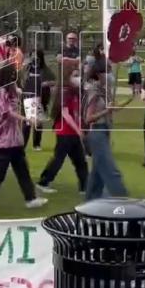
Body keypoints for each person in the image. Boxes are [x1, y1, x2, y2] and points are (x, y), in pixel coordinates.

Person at [0, 64, 48, 210]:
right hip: (4, 139)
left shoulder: (12, 89)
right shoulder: (1, 92)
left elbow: (24, 94)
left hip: (14, 139)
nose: (15, 77)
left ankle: (31, 198)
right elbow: (7, 113)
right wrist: (27, 119)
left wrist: (35, 109)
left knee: (22, 170)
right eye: (13, 75)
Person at [36, 61, 88, 195]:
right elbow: (65, 114)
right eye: (75, 75)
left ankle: (85, 186)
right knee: (59, 159)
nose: (78, 78)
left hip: (73, 132)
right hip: (64, 131)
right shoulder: (65, 91)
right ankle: (44, 181)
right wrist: (78, 130)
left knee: (80, 161)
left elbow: (77, 113)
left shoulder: (75, 91)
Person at [83, 64, 129, 200]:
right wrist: (106, 111)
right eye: (106, 72)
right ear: (98, 75)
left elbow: (111, 109)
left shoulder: (103, 91)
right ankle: (122, 199)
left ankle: (91, 199)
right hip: (97, 132)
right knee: (111, 171)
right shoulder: (94, 92)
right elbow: (88, 118)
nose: (109, 76)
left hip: (105, 131)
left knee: (97, 173)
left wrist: (124, 103)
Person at [22, 49, 55, 151]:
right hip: (28, 97)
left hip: (41, 98)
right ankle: (23, 144)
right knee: (27, 122)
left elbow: (54, 81)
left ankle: (36, 144)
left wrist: (46, 83)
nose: (34, 58)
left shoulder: (45, 69)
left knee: (38, 123)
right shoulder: (27, 68)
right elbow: (21, 79)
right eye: (32, 55)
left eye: (36, 56)